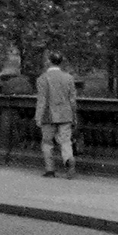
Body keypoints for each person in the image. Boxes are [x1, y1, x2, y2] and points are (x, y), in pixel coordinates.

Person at [34, 51, 78, 179]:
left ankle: (50, 170)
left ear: (49, 61)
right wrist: (74, 115)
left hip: (48, 115)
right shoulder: (68, 78)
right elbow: (72, 99)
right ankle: (68, 159)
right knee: (65, 141)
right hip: (66, 114)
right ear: (61, 62)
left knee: (47, 142)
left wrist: (38, 117)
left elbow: (41, 100)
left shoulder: (42, 78)